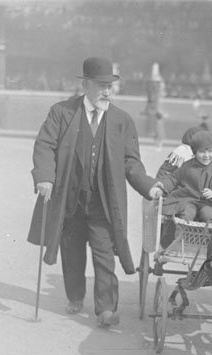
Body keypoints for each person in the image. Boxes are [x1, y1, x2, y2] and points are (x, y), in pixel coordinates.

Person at [27, 57, 161, 327]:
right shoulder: (62, 112)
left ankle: (106, 309)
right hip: (70, 200)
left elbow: (130, 162)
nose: (107, 92)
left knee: (104, 253)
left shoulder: (121, 120)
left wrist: (149, 185)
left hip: (103, 203)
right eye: (101, 85)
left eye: (110, 85)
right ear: (86, 84)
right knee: (72, 252)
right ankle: (75, 297)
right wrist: (45, 178)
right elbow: (44, 146)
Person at [153, 130, 212, 248]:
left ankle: (205, 241)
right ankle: (179, 240)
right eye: (202, 152)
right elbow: (174, 178)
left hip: (208, 202)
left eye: (210, 151)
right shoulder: (187, 166)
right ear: (194, 152)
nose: (206, 155)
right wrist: (162, 185)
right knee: (187, 214)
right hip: (188, 199)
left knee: (208, 214)